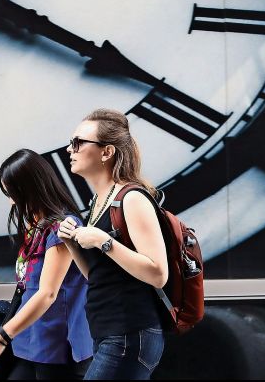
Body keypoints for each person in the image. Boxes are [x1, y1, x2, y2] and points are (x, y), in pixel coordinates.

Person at [57, 108, 168, 380]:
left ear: (106, 152)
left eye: (78, 143)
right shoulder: (98, 202)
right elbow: (96, 275)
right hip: (108, 333)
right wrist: (71, 243)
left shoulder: (132, 198)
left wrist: (103, 240)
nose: (70, 149)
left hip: (130, 333)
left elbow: (158, 273)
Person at [0, 149, 93, 380]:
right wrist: (3, 326)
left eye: (12, 193)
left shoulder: (62, 227)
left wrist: (2, 336)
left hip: (57, 346)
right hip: (31, 341)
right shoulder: (36, 226)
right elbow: (26, 289)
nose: (11, 201)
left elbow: (47, 293)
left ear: (29, 189)